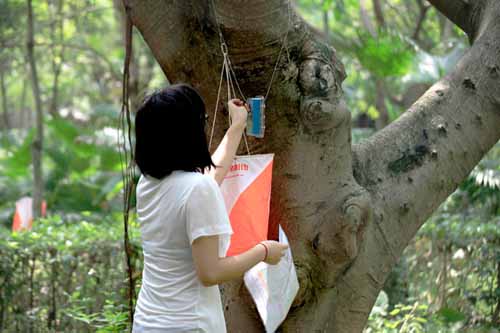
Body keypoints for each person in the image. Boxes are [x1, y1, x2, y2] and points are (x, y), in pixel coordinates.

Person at [131, 83, 289, 332]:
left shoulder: (148, 183)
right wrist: (263, 251)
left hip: (147, 323)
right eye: (202, 120)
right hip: (189, 325)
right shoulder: (197, 189)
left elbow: (210, 175)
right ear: (188, 133)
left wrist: (237, 127)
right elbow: (210, 272)